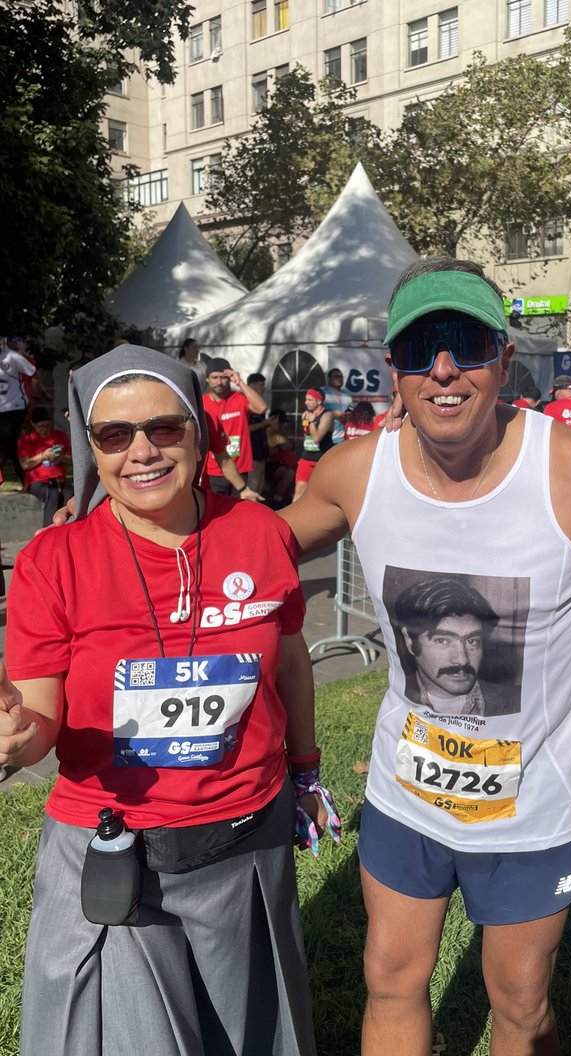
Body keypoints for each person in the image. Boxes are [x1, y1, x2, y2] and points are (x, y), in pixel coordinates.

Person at [279, 257, 571, 1056]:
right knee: (389, 975)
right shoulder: (354, 473)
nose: (444, 370)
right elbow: (245, 558)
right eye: (421, 349)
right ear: (395, 369)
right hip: (408, 793)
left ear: (503, 359)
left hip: (535, 811)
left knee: (518, 1005)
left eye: (466, 344)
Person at [0, 344, 336, 1056]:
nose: (142, 452)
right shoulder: (53, 561)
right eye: (115, 436)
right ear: (90, 448)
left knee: (250, 1036)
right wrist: (13, 738)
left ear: (199, 431)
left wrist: (306, 768)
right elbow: (36, 718)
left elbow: (292, 660)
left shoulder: (259, 534)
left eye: (164, 428)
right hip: (111, 851)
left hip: (245, 838)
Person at [392, 574, 519, 715]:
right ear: (409, 641)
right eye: (442, 640)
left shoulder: (515, 703)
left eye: (472, 641)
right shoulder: (398, 702)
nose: (462, 660)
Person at [202, 357, 268, 497]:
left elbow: (261, 407)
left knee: (239, 513)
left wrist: (240, 382)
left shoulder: (239, 398)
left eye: (223, 377)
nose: (219, 382)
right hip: (214, 471)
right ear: (207, 379)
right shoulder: (202, 403)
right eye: (214, 377)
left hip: (240, 469)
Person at [17, 406, 72, 527]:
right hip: (37, 481)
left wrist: (61, 458)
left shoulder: (60, 435)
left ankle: (70, 528)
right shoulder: (27, 440)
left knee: (70, 494)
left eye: (47, 426)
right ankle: (48, 530)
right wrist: (43, 456)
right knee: (52, 494)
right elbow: (25, 464)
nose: (44, 430)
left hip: (59, 479)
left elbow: (72, 459)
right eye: (40, 427)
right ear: (33, 425)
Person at [0, 334, 36, 479]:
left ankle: (25, 480)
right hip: (1, 409)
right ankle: (25, 479)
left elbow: (33, 373)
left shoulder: (11, 357)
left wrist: (34, 396)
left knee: (6, 443)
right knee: (10, 445)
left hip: (15, 407)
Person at [292, 389, 334, 502]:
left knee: (322, 494)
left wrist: (312, 421)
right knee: (299, 490)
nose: (306, 402)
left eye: (310, 400)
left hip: (321, 460)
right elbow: (306, 437)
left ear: (319, 401)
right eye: (306, 400)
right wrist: (299, 456)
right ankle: (293, 518)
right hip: (307, 458)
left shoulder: (327, 415)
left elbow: (316, 438)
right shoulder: (305, 415)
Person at [246, 371, 270, 494]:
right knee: (252, 487)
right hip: (251, 452)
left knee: (259, 487)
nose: (264, 388)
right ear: (252, 385)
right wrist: (265, 423)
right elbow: (246, 428)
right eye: (261, 384)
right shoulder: (245, 404)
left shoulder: (260, 404)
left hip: (261, 451)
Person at [322, 368, 353, 444]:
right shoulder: (322, 392)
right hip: (326, 436)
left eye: (340, 376)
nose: (339, 378)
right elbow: (316, 411)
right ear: (329, 379)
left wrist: (348, 415)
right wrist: (333, 414)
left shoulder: (347, 394)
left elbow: (351, 410)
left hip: (343, 437)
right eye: (336, 376)